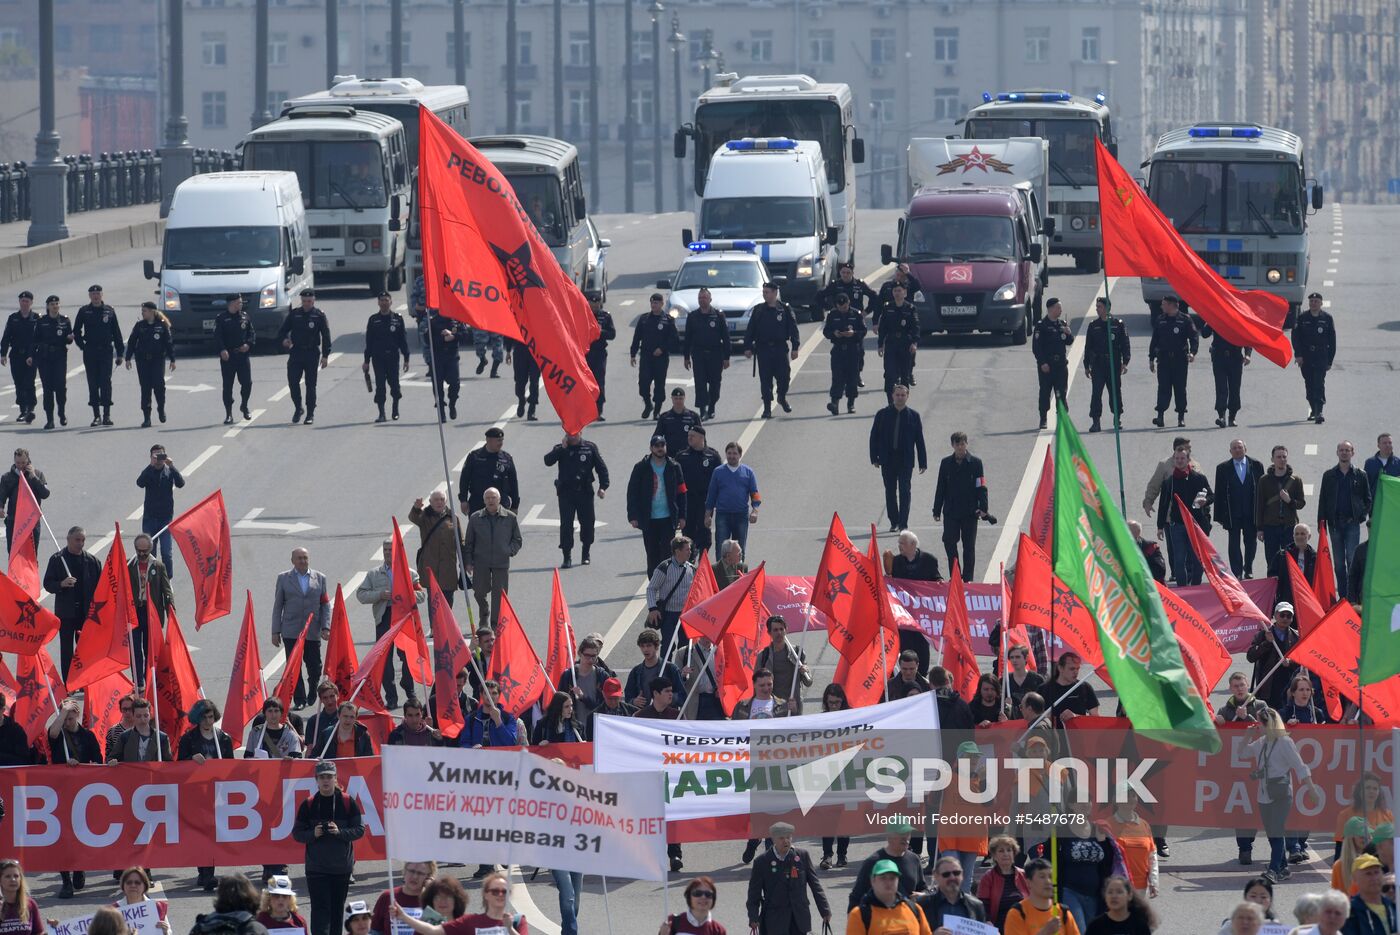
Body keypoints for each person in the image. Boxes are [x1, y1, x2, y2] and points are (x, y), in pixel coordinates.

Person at [1244, 708, 1320, 882]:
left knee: (1277, 831)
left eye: (1259, 723)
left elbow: (1300, 767)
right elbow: (1242, 753)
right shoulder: (1261, 742)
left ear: (1268, 724)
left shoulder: (1285, 742)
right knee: (1272, 833)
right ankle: (1283, 867)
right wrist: (1247, 736)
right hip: (1264, 794)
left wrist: (1311, 789)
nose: (1257, 726)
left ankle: (1273, 869)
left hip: (1281, 793)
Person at [293, 761, 365, 935]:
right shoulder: (309, 804)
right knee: (319, 911)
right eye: (322, 777)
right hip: (316, 868)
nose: (326, 781)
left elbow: (359, 830)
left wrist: (339, 832)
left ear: (335, 778)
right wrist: (313, 834)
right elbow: (297, 833)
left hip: (341, 868)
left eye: (329, 777)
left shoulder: (348, 802)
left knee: (336, 911)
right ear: (316, 780)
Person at [356, 537, 426, 709]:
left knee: (408, 657)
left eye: (391, 549)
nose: (388, 553)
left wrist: (404, 593)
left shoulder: (410, 573)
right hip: (384, 617)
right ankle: (391, 697)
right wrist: (380, 595)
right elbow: (361, 595)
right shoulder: (374, 574)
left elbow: (422, 596)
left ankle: (409, 689)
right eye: (385, 550)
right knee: (385, 660)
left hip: (404, 618)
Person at [45, 697, 102, 899]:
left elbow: (98, 762)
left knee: (79, 833)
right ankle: (65, 881)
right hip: (60, 793)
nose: (67, 722)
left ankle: (79, 868)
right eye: (64, 718)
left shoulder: (88, 736)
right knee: (62, 837)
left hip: (81, 793)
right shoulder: (58, 734)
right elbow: (52, 732)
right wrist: (62, 711)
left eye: (70, 717)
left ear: (77, 716)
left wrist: (82, 768)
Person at [270, 547, 333, 709]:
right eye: (299, 558)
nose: (303, 561)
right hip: (291, 630)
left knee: (314, 666)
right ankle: (299, 699)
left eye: (305, 557)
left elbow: (325, 604)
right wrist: (275, 631)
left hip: (312, 630)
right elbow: (278, 606)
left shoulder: (319, 578)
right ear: (293, 561)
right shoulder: (284, 578)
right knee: (294, 667)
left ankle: (313, 691)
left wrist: (326, 626)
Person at [746, 821, 831, 935]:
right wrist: (753, 917)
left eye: (788, 837)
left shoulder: (802, 856)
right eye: (781, 838)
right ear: (773, 839)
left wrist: (825, 910)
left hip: (799, 918)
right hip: (775, 920)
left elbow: (815, 885)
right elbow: (753, 894)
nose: (786, 841)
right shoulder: (762, 862)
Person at [43, 525, 102, 680]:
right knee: (67, 650)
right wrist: (61, 584)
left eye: (83, 540)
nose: (80, 543)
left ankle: (83, 679)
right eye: (77, 540)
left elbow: (101, 589)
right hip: (66, 613)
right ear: (68, 539)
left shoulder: (92, 561)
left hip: (85, 613)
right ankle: (68, 681)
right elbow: (47, 584)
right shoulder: (57, 560)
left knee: (84, 649)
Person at [544, 430, 609, 568]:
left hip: (584, 491)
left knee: (587, 523)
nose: (572, 437)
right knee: (566, 525)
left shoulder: (590, 447)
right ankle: (566, 556)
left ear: (580, 432)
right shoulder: (561, 448)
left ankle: (586, 552)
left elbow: (601, 468)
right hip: (566, 492)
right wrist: (562, 448)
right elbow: (547, 461)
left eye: (574, 434)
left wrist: (603, 486)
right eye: (569, 434)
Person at [626, 435, 688, 576]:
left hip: (668, 518)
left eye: (662, 445)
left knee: (667, 554)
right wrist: (633, 516)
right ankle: (653, 586)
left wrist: (682, 516)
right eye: (657, 446)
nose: (660, 448)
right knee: (652, 554)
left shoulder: (674, 466)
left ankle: (666, 585)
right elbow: (632, 493)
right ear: (651, 448)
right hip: (649, 519)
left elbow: (682, 492)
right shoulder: (641, 467)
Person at [392, 870, 528, 935]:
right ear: (486, 894)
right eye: (495, 891)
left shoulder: (517, 921)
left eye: (504, 891)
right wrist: (403, 916)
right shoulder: (469, 921)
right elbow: (432, 930)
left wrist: (510, 929)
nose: (499, 894)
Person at [870, 385, 928, 534]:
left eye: (903, 395)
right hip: (887, 460)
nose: (900, 397)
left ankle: (903, 523)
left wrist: (923, 461)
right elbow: (874, 437)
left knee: (904, 491)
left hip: (905, 460)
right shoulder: (882, 414)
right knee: (890, 491)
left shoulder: (913, 416)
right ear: (892, 396)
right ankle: (894, 521)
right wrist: (874, 457)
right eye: (898, 395)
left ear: (907, 396)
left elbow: (919, 440)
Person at [463, 487, 523, 628]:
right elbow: (469, 542)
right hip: (481, 562)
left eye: (493, 498)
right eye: (488, 498)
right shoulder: (475, 518)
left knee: (499, 596)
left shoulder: (510, 517)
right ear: (484, 500)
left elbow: (517, 540)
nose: (490, 500)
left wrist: (508, 551)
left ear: (499, 499)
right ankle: (484, 613)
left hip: (500, 563)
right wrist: (468, 562)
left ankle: (495, 625)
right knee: (479, 592)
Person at [932, 431, 989, 577]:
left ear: (966, 444)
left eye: (963, 443)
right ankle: (955, 575)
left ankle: (968, 577)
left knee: (969, 546)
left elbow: (981, 486)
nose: (960, 447)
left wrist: (983, 508)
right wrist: (936, 510)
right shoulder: (945, 463)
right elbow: (941, 487)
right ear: (952, 445)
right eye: (957, 444)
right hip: (951, 511)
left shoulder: (976, 463)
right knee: (949, 542)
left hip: (970, 512)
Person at [1156, 446, 1213, 585]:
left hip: (1195, 525)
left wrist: (1205, 501)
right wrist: (1160, 526)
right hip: (1178, 525)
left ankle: (1196, 586)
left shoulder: (1199, 478)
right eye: (1177, 458)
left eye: (1182, 458)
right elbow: (1163, 505)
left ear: (1188, 460)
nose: (1179, 461)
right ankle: (1182, 589)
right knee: (1179, 559)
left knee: (1197, 559)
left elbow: (1212, 495)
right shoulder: (1169, 481)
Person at [744, 282, 802, 419]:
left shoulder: (785, 309)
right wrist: (747, 347)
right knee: (765, 380)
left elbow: (793, 329)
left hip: (780, 349)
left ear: (775, 293)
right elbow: (750, 330)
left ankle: (781, 397)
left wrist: (795, 347)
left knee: (784, 377)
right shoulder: (758, 310)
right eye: (763, 292)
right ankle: (767, 408)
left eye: (767, 292)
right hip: (763, 349)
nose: (765, 294)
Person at [1319, 440, 1372, 588]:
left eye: (1347, 450)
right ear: (1337, 453)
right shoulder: (1329, 475)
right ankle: (1342, 595)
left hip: (1352, 525)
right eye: (1341, 450)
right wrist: (1321, 523)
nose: (1344, 452)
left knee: (1351, 559)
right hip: (1335, 525)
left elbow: (1368, 500)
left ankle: (1352, 596)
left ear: (1352, 453)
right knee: (1338, 563)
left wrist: (1359, 517)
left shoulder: (1360, 475)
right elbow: (1322, 500)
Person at [277, 289, 332, 425]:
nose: (306, 304)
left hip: (312, 353)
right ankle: (298, 408)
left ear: (313, 301)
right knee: (293, 382)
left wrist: (325, 356)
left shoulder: (318, 316)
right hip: (296, 352)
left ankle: (310, 413)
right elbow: (283, 330)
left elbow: (326, 336)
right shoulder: (295, 314)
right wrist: (284, 340)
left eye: (309, 301)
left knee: (310, 385)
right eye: (304, 301)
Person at [72, 283, 124, 426]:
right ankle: (96, 416)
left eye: (98, 294)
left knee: (105, 382)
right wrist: (82, 346)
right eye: (93, 294)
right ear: (89, 296)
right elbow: (76, 331)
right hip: (91, 351)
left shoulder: (109, 311)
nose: (95, 296)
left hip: (106, 351)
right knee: (93, 383)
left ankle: (107, 415)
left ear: (102, 295)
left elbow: (117, 333)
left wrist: (120, 354)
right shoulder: (84, 311)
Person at [1214, 439, 1265, 579]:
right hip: (1232, 513)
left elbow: (1262, 491)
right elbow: (1218, 493)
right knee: (1234, 543)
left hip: (1251, 512)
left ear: (1245, 449)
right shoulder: (1223, 468)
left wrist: (1262, 514)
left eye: (1240, 447)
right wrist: (1218, 516)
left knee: (1250, 543)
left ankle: (1248, 567)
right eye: (1234, 448)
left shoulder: (1256, 465)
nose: (1237, 450)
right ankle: (1236, 571)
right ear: (1230, 451)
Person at [128, 531, 173, 688]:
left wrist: (170, 609)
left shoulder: (158, 567)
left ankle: (149, 680)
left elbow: (167, 590)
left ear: (150, 550)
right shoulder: (128, 565)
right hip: (134, 613)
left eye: (145, 551)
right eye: (139, 551)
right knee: (134, 649)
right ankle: (138, 682)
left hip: (151, 613)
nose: (141, 554)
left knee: (149, 649)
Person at [1147, 294, 1197, 427]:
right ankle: (1160, 416)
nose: (1161, 306)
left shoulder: (1185, 320)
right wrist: (1151, 358)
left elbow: (1193, 337)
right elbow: (1155, 340)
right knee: (1163, 387)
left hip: (1180, 360)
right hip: (1163, 360)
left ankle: (1181, 416)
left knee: (1180, 388)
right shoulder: (1160, 320)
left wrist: (1192, 352)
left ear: (1171, 305)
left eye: (1164, 304)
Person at [847, 858, 932, 935]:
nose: (888, 882)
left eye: (892, 878)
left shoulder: (914, 909)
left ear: (898, 880)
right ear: (873, 880)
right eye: (883, 878)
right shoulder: (860, 915)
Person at [847, 826, 925, 911]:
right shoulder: (873, 862)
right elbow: (857, 896)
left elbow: (923, 888)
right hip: (880, 919)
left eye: (908, 833)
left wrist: (923, 895)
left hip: (907, 918)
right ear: (889, 836)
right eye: (901, 833)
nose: (906, 838)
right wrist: (853, 919)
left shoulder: (914, 859)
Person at [704, 441, 760, 558]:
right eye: (729, 453)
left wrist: (755, 511)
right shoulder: (718, 472)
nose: (732, 456)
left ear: (740, 455)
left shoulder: (748, 472)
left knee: (739, 551)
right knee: (721, 549)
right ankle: (721, 575)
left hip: (741, 515)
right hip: (722, 515)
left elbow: (755, 494)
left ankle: (739, 575)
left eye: (734, 453)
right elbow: (711, 495)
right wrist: (707, 515)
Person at [124, 301, 175, 427]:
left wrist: (172, 360)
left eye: (145, 311)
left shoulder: (162, 325)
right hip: (142, 361)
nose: (143, 313)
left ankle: (161, 408)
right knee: (145, 388)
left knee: (159, 386)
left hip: (157, 360)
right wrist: (128, 358)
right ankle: (147, 417)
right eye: (142, 311)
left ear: (152, 311)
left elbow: (168, 343)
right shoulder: (140, 325)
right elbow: (131, 342)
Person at [137, 444, 184, 577]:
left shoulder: (169, 472)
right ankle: (150, 579)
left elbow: (180, 483)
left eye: (161, 455)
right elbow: (140, 483)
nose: (158, 459)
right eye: (155, 456)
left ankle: (168, 580)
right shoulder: (149, 471)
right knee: (149, 553)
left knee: (166, 552)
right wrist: (150, 466)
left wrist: (172, 466)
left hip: (165, 519)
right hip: (150, 518)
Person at [1084, 295, 1130, 433]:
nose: (1097, 309)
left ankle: (1117, 418)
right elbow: (1088, 347)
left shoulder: (1118, 324)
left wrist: (1125, 362)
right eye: (1097, 307)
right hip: (1098, 364)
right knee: (1096, 393)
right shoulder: (1093, 325)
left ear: (1107, 308)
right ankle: (1096, 421)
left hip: (1113, 363)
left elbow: (1125, 344)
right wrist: (1087, 365)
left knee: (1115, 392)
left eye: (1100, 307)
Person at [362, 292, 410, 423]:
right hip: (378, 358)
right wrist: (366, 361)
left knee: (394, 385)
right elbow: (369, 342)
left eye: (386, 300)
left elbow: (403, 340)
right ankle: (381, 413)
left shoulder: (398, 319)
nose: (384, 302)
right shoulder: (373, 320)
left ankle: (395, 408)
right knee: (380, 386)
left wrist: (406, 358)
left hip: (393, 357)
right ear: (378, 302)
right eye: (381, 300)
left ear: (391, 302)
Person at [408, 491, 463, 606]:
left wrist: (466, 563)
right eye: (436, 500)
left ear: (446, 501)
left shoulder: (453, 517)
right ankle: (435, 625)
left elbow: (460, 542)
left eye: (442, 499)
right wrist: (416, 508)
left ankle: (447, 624)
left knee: (448, 603)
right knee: (434, 604)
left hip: (448, 569)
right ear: (430, 502)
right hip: (431, 567)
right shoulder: (424, 516)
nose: (439, 502)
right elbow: (414, 518)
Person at [631, 292, 681, 418]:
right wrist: (633, 354)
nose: (654, 305)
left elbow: (674, 339)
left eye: (657, 303)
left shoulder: (668, 320)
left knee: (659, 384)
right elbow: (637, 338)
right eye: (652, 303)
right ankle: (648, 404)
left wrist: (662, 349)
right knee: (643, 382)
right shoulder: (644, 319)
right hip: (646, 356)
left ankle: (657, 410)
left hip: (661, 358)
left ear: (662, 304)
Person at [1003, 857, 1082, 935]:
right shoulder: (1017, 913)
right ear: (1028, 882)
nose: (1048, 881)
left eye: (1050, 877)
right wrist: (1045, 932)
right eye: (1042, 877)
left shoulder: (1063, 912)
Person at [28, 294, 73, 428]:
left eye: (57, 304)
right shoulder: (41, 321)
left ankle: (62, 412)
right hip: (45, 358)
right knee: (47, 389)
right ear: (48, 306)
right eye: (52, 304)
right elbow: (34, 340)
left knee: (60, 387)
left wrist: (70, 338)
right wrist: (31, 355)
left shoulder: (65, 321)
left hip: (59, 358)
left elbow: (68, 339)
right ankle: (50, 419)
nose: (55, 306)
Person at [1257, 445, 1307, 564]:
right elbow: (1259, 505)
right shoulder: (1264, 480)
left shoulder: (1295, 480)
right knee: (1272, 560)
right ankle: (1274, 582)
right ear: (1272, 459)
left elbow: (1301, 503)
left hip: (1289, 526)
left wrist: (1289, 501)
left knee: (1290, 560)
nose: (1282, 459)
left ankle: (1288, 583)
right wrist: (1259, 529)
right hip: (1270, 526)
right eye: (1278, 457)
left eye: (1284, 457)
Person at [676, 426, 721, 557]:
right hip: (688, 500)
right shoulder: (682, 456)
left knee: (704, 532)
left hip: (705, 501)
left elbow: (719, 479)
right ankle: (690, 559)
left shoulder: (712, 456)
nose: (689, 438)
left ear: (701, 438)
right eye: (688, 435)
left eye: (693, 436)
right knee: (688, 532)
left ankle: (703, 560)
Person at [645, 538, 695, 655]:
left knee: (685, 647)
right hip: (668, 614)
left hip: (685, 615)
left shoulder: (692, 569)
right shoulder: (664, 568)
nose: (690, 552)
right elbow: (651, 589)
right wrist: (652, 609)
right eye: (687, 549)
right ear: (677, 551)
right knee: (668, 645)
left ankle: (682, 672)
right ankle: (664, 670)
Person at [1293, 291, 1336, 422]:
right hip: (1306, 356)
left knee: (1319, 383)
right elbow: (1296, 338)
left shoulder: (1327, 318)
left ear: (1321, 303)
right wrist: (1298, 355)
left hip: (1321, 356)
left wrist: (1330, 360)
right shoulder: (1302, 318)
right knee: (1309, 384)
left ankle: (1319, 412)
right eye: (1311, 301)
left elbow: (1332, 341)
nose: (1313, 303)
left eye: (1316, 301)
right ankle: (1313, 408)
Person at [1247, 604, 1299, 711]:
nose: (1285, 618)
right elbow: (1251, 656)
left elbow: (1303, 660)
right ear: (1275, 615)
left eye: (1288, 616)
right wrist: (1266, 643)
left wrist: (1291, 662)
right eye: (1282, 615)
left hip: (1288, 686)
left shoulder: (1296, 636)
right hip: (1267, 686)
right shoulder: (1262, 634)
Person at [1, 449, 49, 564]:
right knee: (13, 554)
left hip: (31, 521)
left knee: (31, 554)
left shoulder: (38, 474)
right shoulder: (7, 477)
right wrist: (1, 507)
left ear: (28, 460)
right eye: (18, 463)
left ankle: (30, 579)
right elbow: (1, 496)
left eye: (23, 462)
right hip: (14, 521)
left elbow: (45, 494)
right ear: (14, 461)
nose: (21, 466)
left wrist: (33, 477)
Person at [1032, 297, 1074, 429]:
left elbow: (1069, 341)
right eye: (1058, 307)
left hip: (1060, 366)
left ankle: (1062, 418)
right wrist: (1042, 362)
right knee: (1045, 393)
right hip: (1047, 366)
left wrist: (1068, 333)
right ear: (1050, 309)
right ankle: (1043, 418)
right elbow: (1036, 347)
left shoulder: (1062, 324)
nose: (1060, 310)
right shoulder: (1041, 325)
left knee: (1061, 392)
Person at [916, 855, 987, 931]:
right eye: (946, 874)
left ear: (962, 874)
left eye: (956, 873)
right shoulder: (922, 904)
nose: (952, 877)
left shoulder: (976, 905)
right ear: (935, 876)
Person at [215, 294, 256, 424]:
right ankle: (229, 414)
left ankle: (244, 405)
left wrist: (248, 344)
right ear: (232, 304)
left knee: (247, 383)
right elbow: (217, 336)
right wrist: (222, 350)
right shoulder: (222, 318)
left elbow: (251, 333)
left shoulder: (245, 316)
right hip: (228, 357)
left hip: (242, 356)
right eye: (238, 302)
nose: (241, 304)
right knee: (227, 386)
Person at [459, 427, 520, 515]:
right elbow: (464, 479)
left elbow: (513, 483)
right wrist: (463, 500)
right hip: (478, 503)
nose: (501, 443)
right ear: (488, 440)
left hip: (501, 504)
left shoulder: (506, 458)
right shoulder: (475, 457)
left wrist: (515, 505)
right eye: (498, 440)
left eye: (502, 440)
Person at [823, 293, 867, 414]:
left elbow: (863, 331)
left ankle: (851, 403)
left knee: (852, 377)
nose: (842, 308)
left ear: (848, 303)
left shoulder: (856, 314)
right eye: (840, 306)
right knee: (837, 377)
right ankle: (834, 403)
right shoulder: (832, 315)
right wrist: (834, 334)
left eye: (845, 305)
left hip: (853, 349)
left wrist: (853, 333)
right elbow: (826, 332)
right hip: (838, 349)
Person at [1, 290, 40, 423]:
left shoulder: (36, 318)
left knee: (28, 382)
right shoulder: (13, 318)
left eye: (27, 301)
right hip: (16, 355)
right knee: (18, 383)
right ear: (19, 302)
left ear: (31, 303)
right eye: (22, 301)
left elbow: (41, 338)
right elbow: (6, 337)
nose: (24, 303)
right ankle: (23, 409)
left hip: (31, 355)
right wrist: (3, 354)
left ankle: (30, 407)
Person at [877, 283, 919, 405]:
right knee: (889, 374)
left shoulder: (910, 308)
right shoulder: (888, 307)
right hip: (891, 344)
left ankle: (902, 402)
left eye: (899, 290)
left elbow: (915, 327)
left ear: (904, 292)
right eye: (895, 291)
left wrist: (914, 343)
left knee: (905, 375)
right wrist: (880, 344)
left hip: (905, 344)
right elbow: (883, 328)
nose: (897, 293)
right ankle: (891, 401)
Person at [624, 627, 686, 706]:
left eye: (649, 646)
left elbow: (682, 697)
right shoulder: (636, 672)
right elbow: (628, 697)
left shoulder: (671, 669)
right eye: (642, 646)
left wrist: (667, 698)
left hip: (666, 715)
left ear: (656, 647)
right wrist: (634, 701)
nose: (645, 649)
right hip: (644, 715)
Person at [977, 836, 1029, 930]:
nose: (1006, 854)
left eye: (1009, 850)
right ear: (994, 856)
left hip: (1024, 925)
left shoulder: (1024, 875)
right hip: (998, 927)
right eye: (1001, 851)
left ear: (1014, 853)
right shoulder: (988, 878)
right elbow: (982, 906)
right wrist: (987, 921)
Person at [424, 309, 467, 422]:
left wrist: (453, 336)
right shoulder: (433, 321)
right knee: (437, 387)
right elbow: (427, 340)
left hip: (452, 357)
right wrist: (443, 339)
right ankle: (441, 412)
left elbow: (465, 334)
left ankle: (452, 403)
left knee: (455, 384)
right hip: (438, 358)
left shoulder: (457, 320)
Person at [369, 861, 434, 935]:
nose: (415, 876)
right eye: (411, 871)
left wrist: (433, 892)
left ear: (429, 877)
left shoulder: (434, 900)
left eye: (420, 873)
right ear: (404, 872)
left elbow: (441, 929)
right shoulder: (388, 896)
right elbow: (375, 930)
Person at [1042, 652, 1100, 724]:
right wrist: (1045, 718)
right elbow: (1032, 717)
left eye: (1078, 668)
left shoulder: (1085, 688)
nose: (1076, 672)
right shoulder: (1044, 689)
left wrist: (1076, 717)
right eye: (1072, 669)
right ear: (1060, 668)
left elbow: (1096, 719)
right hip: (1051, 734)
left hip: (1077, 734)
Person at [460, 680, 522, 748]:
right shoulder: (470, 719)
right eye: (487, 693)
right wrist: (472, 749)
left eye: (494, 693)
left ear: (499, 695)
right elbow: (463, 744)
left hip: (500, 758)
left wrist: (499, 722)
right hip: (478, 758)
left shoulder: (508, 718)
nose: (491, 696)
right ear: (481, 695)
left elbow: (511, 743)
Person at [1085, 875, 1155, 935]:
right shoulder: (1095, 926)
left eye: (1119, 892)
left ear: (1129, 895)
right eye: (1110, 892)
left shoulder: (1139, 925)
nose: (1114, 896)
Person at [1269, 523, 1318, 606]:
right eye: (1297, 534)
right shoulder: (1282, 555)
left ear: (1309, 536)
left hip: (1307, 598)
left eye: (1303, 534)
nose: (1299, 537)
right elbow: (1271, 574)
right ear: (1293, 536)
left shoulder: (1315, 557)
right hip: (1287, 599)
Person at [1345, 855, 1397, 934]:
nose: (1374, 878)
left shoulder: (1393, 906)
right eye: (1368, 874)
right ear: (1355, 879)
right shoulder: (1350, 913)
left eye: (1376, 872)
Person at [660, 876, 727, 935]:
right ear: (689, 897)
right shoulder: (673, 922)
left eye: (708, 894)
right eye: (698, 893)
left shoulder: (718, 930)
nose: (703, 897)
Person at [113, 867, 172, 933]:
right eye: (129, 882)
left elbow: (169, 931)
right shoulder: (114, 910)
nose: (133, 885)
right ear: (123, 885)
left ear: (145, 885)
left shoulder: (157, 907)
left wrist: (165, 931)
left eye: (137, 882)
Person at [585, 293, 615, 419]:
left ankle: (598, 410)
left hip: (599, 353)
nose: (595, 305)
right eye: (592, 303)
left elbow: (612, 334)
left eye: (597, 303)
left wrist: (600, 332)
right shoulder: (582, 315)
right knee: (585, 383)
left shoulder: (605, 316)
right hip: (585, 353)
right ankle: (586, 410)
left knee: (599, 381)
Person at [114, 697, 171, 762]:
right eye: (138, 716)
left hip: (152, 772)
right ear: (133, 715)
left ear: (150, 714)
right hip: (131, 772)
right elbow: (112, 758)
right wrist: (113, 761)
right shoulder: (124, 737)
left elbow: (168, 764)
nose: (142, 719)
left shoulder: (161, 738)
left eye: (146, 715)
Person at [656, 386, 703, 454]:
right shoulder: (665, 417)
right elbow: (657, 437)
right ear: (672, 398)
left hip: (689, 455)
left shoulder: (693, 416)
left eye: (680, 398)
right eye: (676, 398)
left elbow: (701, 436)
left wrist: (702, 451)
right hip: (670, 455)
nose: (678, 401)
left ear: (684, 398)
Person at [1334, 817, 1372, 895]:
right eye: (1361, 835)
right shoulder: (1339, 866)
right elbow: (1336, 897)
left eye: (1368, 834)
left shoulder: (1375, 860)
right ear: (1350, 838)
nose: (1366, 838)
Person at [506, 337, 541, 420]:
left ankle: (532, 411)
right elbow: (509, 331)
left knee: (534, 381)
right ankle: (522, 399)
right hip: (520, 351)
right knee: (519, 383)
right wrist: (508, 351)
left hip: (536, 351)